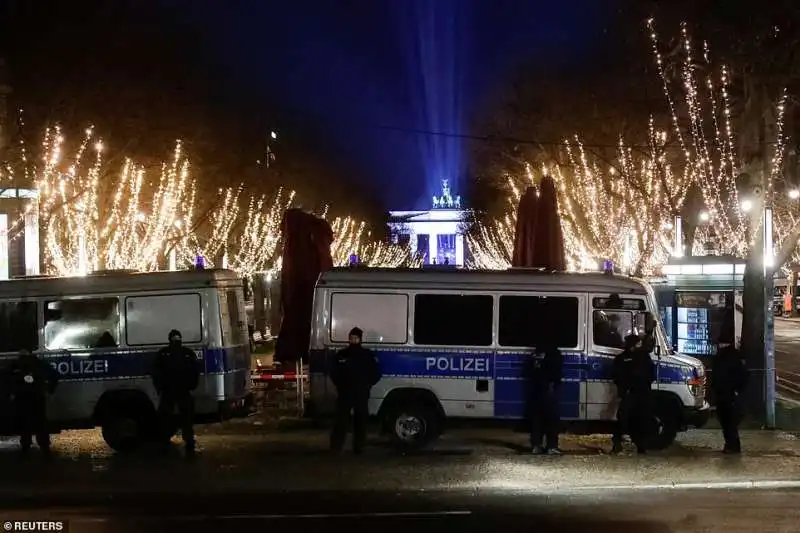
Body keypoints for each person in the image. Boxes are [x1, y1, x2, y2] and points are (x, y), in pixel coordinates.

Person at [329, 327, 382, 454]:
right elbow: (334, 372)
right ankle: (336, 447)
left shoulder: (367, 355)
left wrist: (367, 385)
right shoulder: (342, 354)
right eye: (351, 338)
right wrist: (340, 386)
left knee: (361, 421)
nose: (353, 340)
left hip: (361, 393)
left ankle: (359, 447)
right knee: (340, 421)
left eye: (356, 338)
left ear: (360, 339)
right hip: (345, 393)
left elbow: (376, 373)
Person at [151, 329, 201, 455]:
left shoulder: (164, 353)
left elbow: (155, 372)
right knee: (185, 418)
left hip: (170, 392)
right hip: (182, 391)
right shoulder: (187, 353)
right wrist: (191, 386)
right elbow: (195, 372)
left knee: (167, 417)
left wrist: (160, 387)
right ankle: (188, 442)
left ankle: (165, 441)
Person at [7, 349, 59, 456]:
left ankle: (31, 449)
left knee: (29, 424)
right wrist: (49, 389)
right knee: (36, 424)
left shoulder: (19, 364)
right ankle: (42, 448)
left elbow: (8, 377)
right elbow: (54, 375)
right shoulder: (35, 363)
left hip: (29, 398)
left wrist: (12, 392)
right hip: (32, 397)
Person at [611, 334, 655, 454]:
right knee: (635, 419)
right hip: (637, 393)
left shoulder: (624, 357)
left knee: (629, 419)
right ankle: (635, 445)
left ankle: (624, 444)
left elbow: (617, 376)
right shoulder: (641, 357)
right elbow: (651, 375)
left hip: (632, 393)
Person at [711, 333, 747, 454]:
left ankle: (732, 445)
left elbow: (718, 375)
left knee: (728, 422)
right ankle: (732, 445)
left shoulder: (723, 357)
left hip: (726, 395)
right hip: (729, 394)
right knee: (729, 422)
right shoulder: (733, 356)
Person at [527, 339, 563, 454]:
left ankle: (536, 446)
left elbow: (529, 372)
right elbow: (557, 372)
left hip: (535, 391)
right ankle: (551, 446)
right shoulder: (554, 353)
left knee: (537, 419)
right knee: (552, 419)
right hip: (549, 390)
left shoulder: (536, 354)